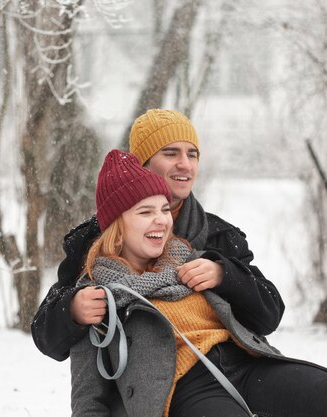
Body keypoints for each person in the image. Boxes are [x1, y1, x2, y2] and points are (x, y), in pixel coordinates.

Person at [69, 148, 327, 417]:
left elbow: (267, 309)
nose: (162, 219)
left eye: (163, 209)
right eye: (145, 212)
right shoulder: (99, 296)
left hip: (247, 362)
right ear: (117, 227)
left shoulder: (191, 259)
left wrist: (224, 273)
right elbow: (88, 396)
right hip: (182, 388)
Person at [32, 109, 283, 362]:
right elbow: (44, 334)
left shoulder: (220, 237)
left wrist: (224, 275)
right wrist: (72, 310)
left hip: (229, 371)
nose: (185, 164)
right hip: (142, 384)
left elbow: (269, 314)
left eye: (192, 154)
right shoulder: (98, 237)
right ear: (142, 163)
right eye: (171, 153)